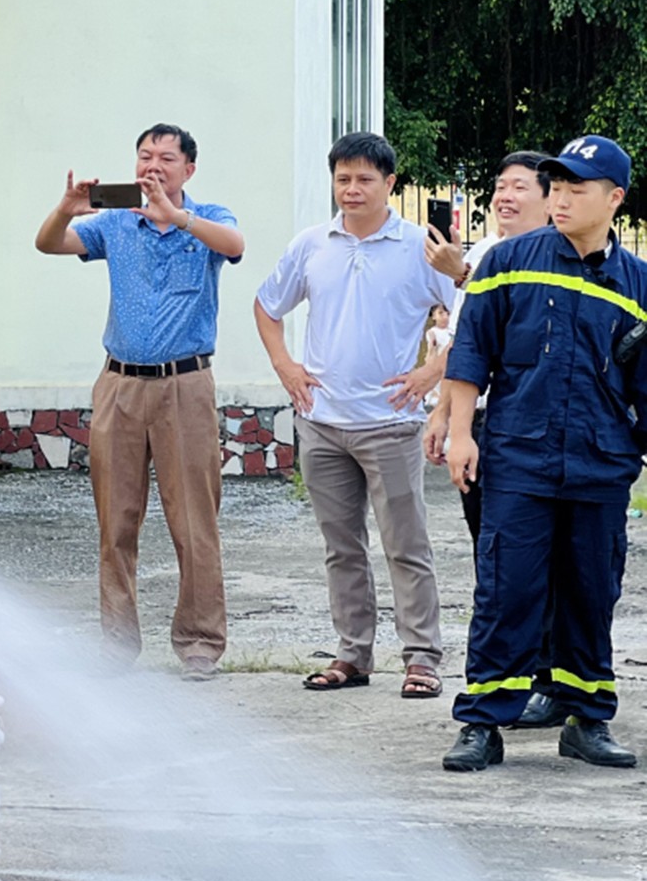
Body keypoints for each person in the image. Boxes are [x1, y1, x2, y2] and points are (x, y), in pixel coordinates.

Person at [440, 135, 646, 772]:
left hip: (601, 461)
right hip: (518, 458)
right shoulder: (509, 261)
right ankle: (482, 721)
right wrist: (460, 434)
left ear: (613, 199)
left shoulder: (638, 283)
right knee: (507, 589)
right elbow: (470, 351)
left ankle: (586, 718)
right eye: (554, 186)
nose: (560, 198)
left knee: (591, 590)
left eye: (576, 189)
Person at [33, 123, 242, 680]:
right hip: (120, 384)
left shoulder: (210, 218)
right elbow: (49, 243)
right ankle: (117, 642)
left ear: (188, 169)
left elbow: (236, 247)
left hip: (185, 385)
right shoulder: (116, 224)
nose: (154, 165)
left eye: (166, 157)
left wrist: (177, 218)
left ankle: (200, 643)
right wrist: (68, 207)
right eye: (145, 155)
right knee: (116, 519)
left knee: (194, 520)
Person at [254, 132, 451, 698]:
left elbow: (474, 311)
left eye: (365, 179)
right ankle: (352, 655)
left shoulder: (420, 247)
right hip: (322, 421)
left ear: (390, 184)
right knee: (341, 548)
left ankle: (421, 659)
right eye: (343, 178)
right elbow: (267, 308)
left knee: (405, 547)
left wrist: (429, 374)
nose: (352, 189)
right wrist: (287, 367)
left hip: (389, 424)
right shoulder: (313, 244)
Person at [421, 151, 561, 729]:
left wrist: (460, 275)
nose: (504, 196)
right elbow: (464, 348)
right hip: (480, 426)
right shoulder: (482, 254)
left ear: (551, 200)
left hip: (534, 428)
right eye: (500, 186)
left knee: (546, 561)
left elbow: (519, 330)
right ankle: (515, 677)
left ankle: (554, 680)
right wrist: (446, 419)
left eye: (519, 187)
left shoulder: (562, 259)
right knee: (496, 560)